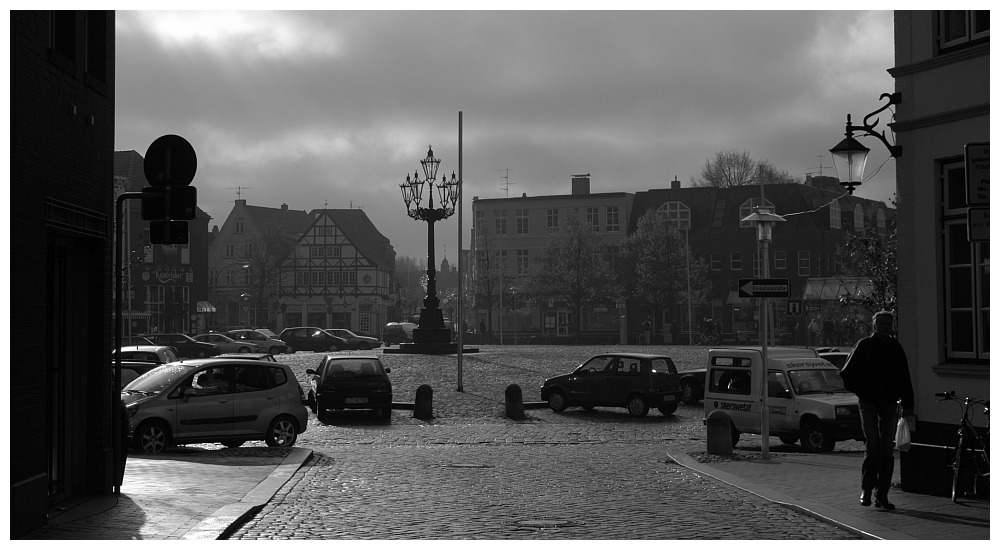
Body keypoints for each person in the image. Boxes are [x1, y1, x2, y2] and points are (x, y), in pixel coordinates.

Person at [840, 310, 914, 510]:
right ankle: (866, 489)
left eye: (887, 324)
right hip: (869, 403)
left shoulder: (895, 348)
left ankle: (882, 494)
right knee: (873, 445)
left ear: (891, 327)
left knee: (887, 449)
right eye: (880, 323)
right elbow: (847, 374)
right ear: (874, 326)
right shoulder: (864, 346)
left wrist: (908, 404)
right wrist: (864, 392)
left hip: (889, 403)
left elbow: (904, 377)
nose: (884, 327)